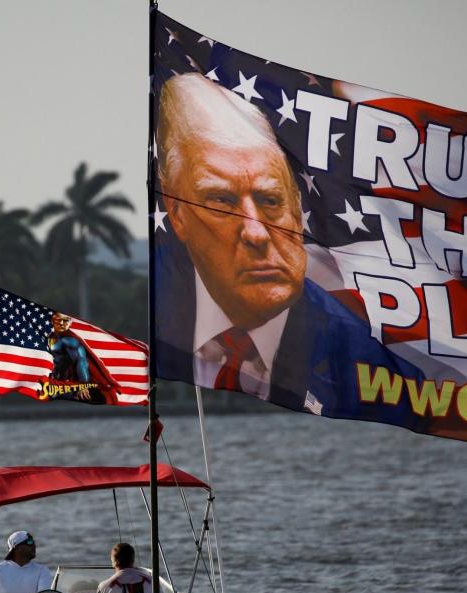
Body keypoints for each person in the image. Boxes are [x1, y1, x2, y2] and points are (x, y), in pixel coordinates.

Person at [154, 72, 427, 424]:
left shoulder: (367, 363)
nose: (256, 233)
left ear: (297, 212)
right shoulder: (157, 302)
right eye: (222, 201)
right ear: (176, 212)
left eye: (270, 201)